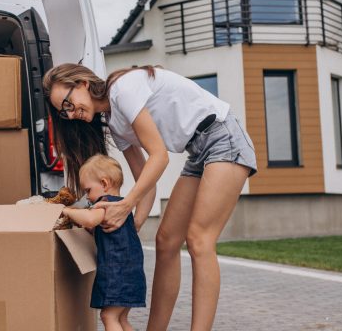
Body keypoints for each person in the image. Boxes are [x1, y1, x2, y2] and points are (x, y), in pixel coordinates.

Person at [43, 64, 257, 331]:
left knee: (199, 239)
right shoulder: (114, 123)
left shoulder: (122, 89)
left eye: (68, 103)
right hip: (198, 150)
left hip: (223, 138)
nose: (71, 113)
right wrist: (131, 226)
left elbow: (160, 156)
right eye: (65, 112)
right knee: (166, 241)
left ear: (82, 83)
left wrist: (127, 204)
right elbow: (146, 179)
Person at [61, 154, 145, 331]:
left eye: (88, 190)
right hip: (132, 273)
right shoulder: (122, 208)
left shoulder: (105, 204)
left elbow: (90, 219)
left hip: (117, 274)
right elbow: (96, 227)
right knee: (121, 318)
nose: (88, 197)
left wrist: (67, 211)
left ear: (105, 184)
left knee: (109, 316)